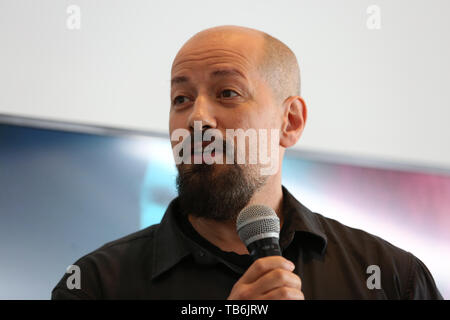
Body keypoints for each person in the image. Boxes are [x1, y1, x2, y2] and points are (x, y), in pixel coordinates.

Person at [52, 25, 443, 300]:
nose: (196, 118)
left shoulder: (391, 278)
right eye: (181, 99)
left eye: (227, 92)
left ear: (290, 122)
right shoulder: (95, 284)